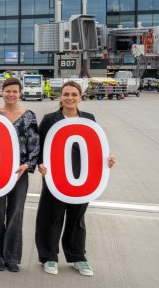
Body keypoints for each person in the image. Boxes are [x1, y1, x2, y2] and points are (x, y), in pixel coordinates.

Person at [35, 80, 117, 276]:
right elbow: (40, 147)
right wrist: (40, 165)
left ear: (80, 97)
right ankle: (49, 257)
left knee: (77, 218)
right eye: (66, 94)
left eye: (74, 94)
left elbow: (94, 147)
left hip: (83, 177)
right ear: (60, 97)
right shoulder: (49, 119)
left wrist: (108, 160)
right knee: (51, 218)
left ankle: (77, 256)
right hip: (56, 177)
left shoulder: (89, 118)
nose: (70, 98)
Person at [0, 77, 39, 273]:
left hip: (19, 171)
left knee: (16, 213)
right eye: (8, 91)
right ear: (2, 92)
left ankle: (12, 256)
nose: (11, 94)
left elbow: (34, 144)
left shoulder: (29, 116)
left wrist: (28, 164)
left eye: (15, 91)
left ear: (20, 93)